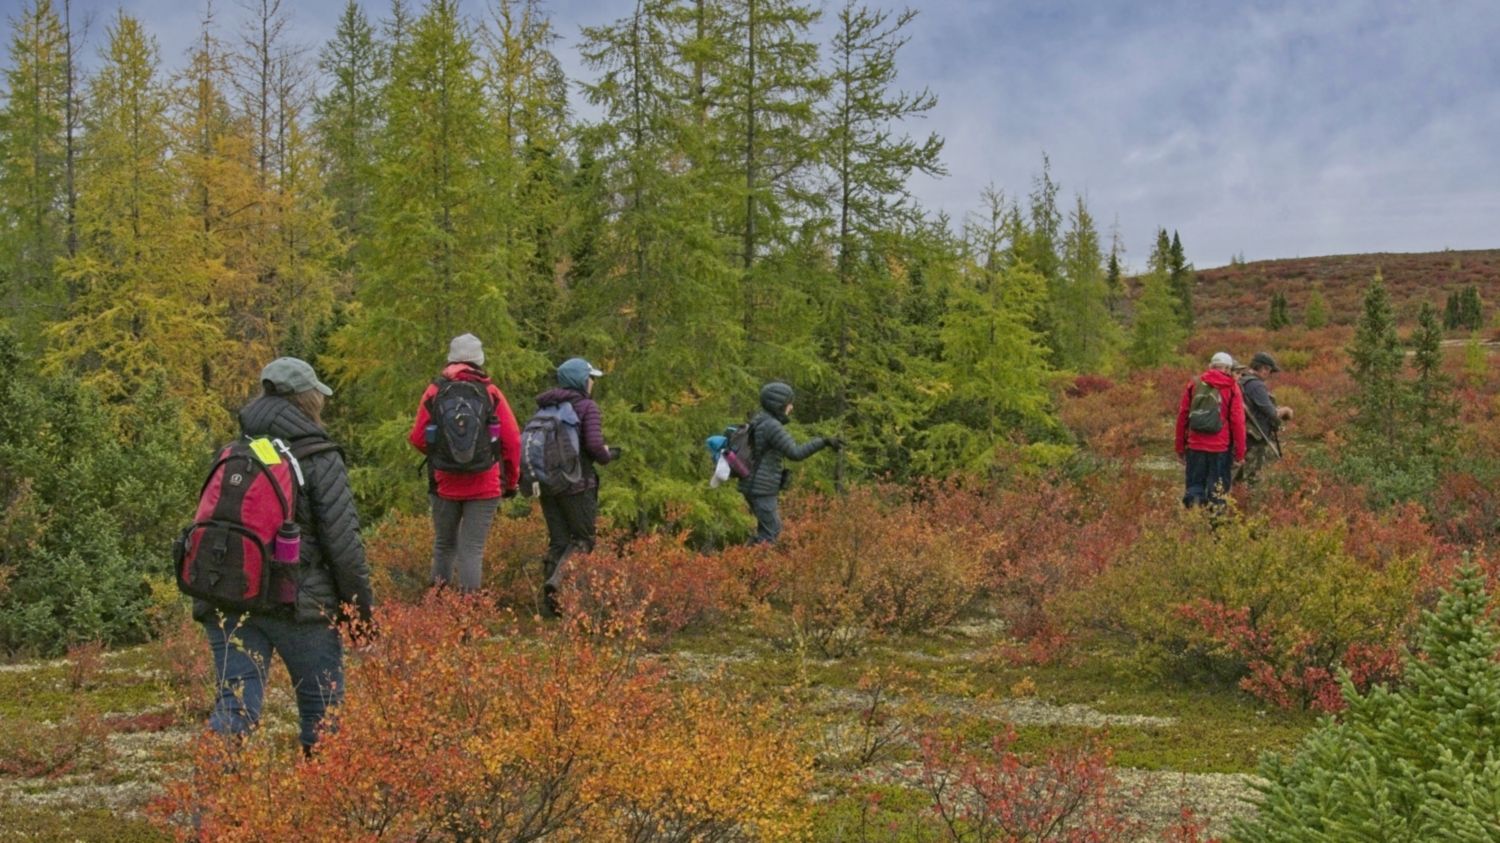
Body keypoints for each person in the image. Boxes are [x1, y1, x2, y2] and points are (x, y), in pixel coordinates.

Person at [198, 357, 374, 755]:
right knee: (321, 711)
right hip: (299, 605)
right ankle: (325, 808)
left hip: (229, 597)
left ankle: (204, 808)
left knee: (235, 707)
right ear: (309, 399)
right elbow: (345, 549)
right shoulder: (320, 457)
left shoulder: (235, 450)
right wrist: (361, 616)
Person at [408, 333, 522, 592]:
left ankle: (437, 610)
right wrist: (511, 480)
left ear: (451, 360)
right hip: (485, 484)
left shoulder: (435, 391)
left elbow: (417, 437)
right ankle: (468, 617)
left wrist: (443, 455)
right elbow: (513, 441)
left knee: (444, 545)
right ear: (478, 361)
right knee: (472, 549)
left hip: (444, 483)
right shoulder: (490, 392)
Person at [534, 357, 617, 614]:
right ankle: (558, 584)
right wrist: (608, 455)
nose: (592, 382)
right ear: (581, 380)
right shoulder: (586, 407)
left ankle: (550, 609)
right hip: (577, 483)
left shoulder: (545, 407)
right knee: (583, 540)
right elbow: (593, 446)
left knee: (558, 541)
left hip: (548, 485)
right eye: (590, 377)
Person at [738, 381, 843, 544]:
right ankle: (750, 567)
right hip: (762, 488)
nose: (791, 407)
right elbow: (795, 453)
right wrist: (824, 442)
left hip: (754, 485)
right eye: (788, 403)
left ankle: (742, 564)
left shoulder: (760, 420)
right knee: (772, 533)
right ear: (778, 405)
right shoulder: (771, 426)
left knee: (766, 531)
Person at [1175, 351, 1246, 510]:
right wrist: (1240, 453)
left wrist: (1180, 448)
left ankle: (1195, 523)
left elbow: (1183, 417)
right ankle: (1215, 530)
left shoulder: (1194, 384)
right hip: (1221, 449)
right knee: (1218, 493)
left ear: (1210, 366)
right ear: (1227, 369)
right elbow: (1238, 422)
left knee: (1194, 488)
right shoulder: (1232, 387)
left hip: (1195, 447)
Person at [1236, 351, 1293, 484]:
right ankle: (1246, 501)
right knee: (1251, 475)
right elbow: (1270, 412)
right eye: (1269, 370)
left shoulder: (1241, 379)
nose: (1269, 374)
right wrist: (1285, 411)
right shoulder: (1256, 385)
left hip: (1243, 433)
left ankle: (1236, 498)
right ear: (1263, 368)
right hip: (1255, 436)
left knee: (1239, 473)